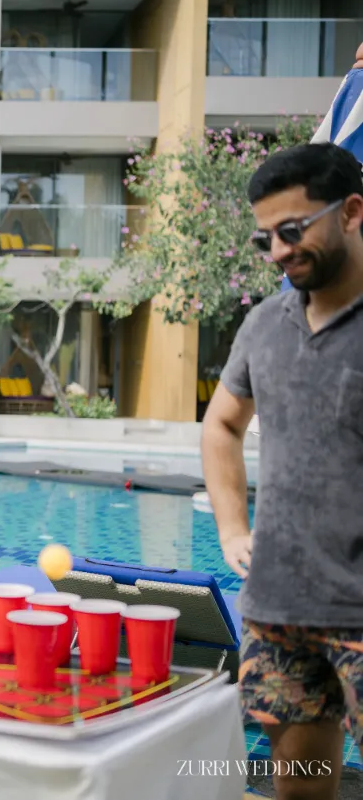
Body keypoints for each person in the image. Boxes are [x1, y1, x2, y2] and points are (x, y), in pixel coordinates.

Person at [202, 143, 363, 800]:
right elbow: (221, 425)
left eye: (292, 231)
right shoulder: (264, 324)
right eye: (264, 237)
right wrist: (232, 528)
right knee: (299, 789)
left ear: (351, 212)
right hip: (280, 610)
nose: (276, 252)